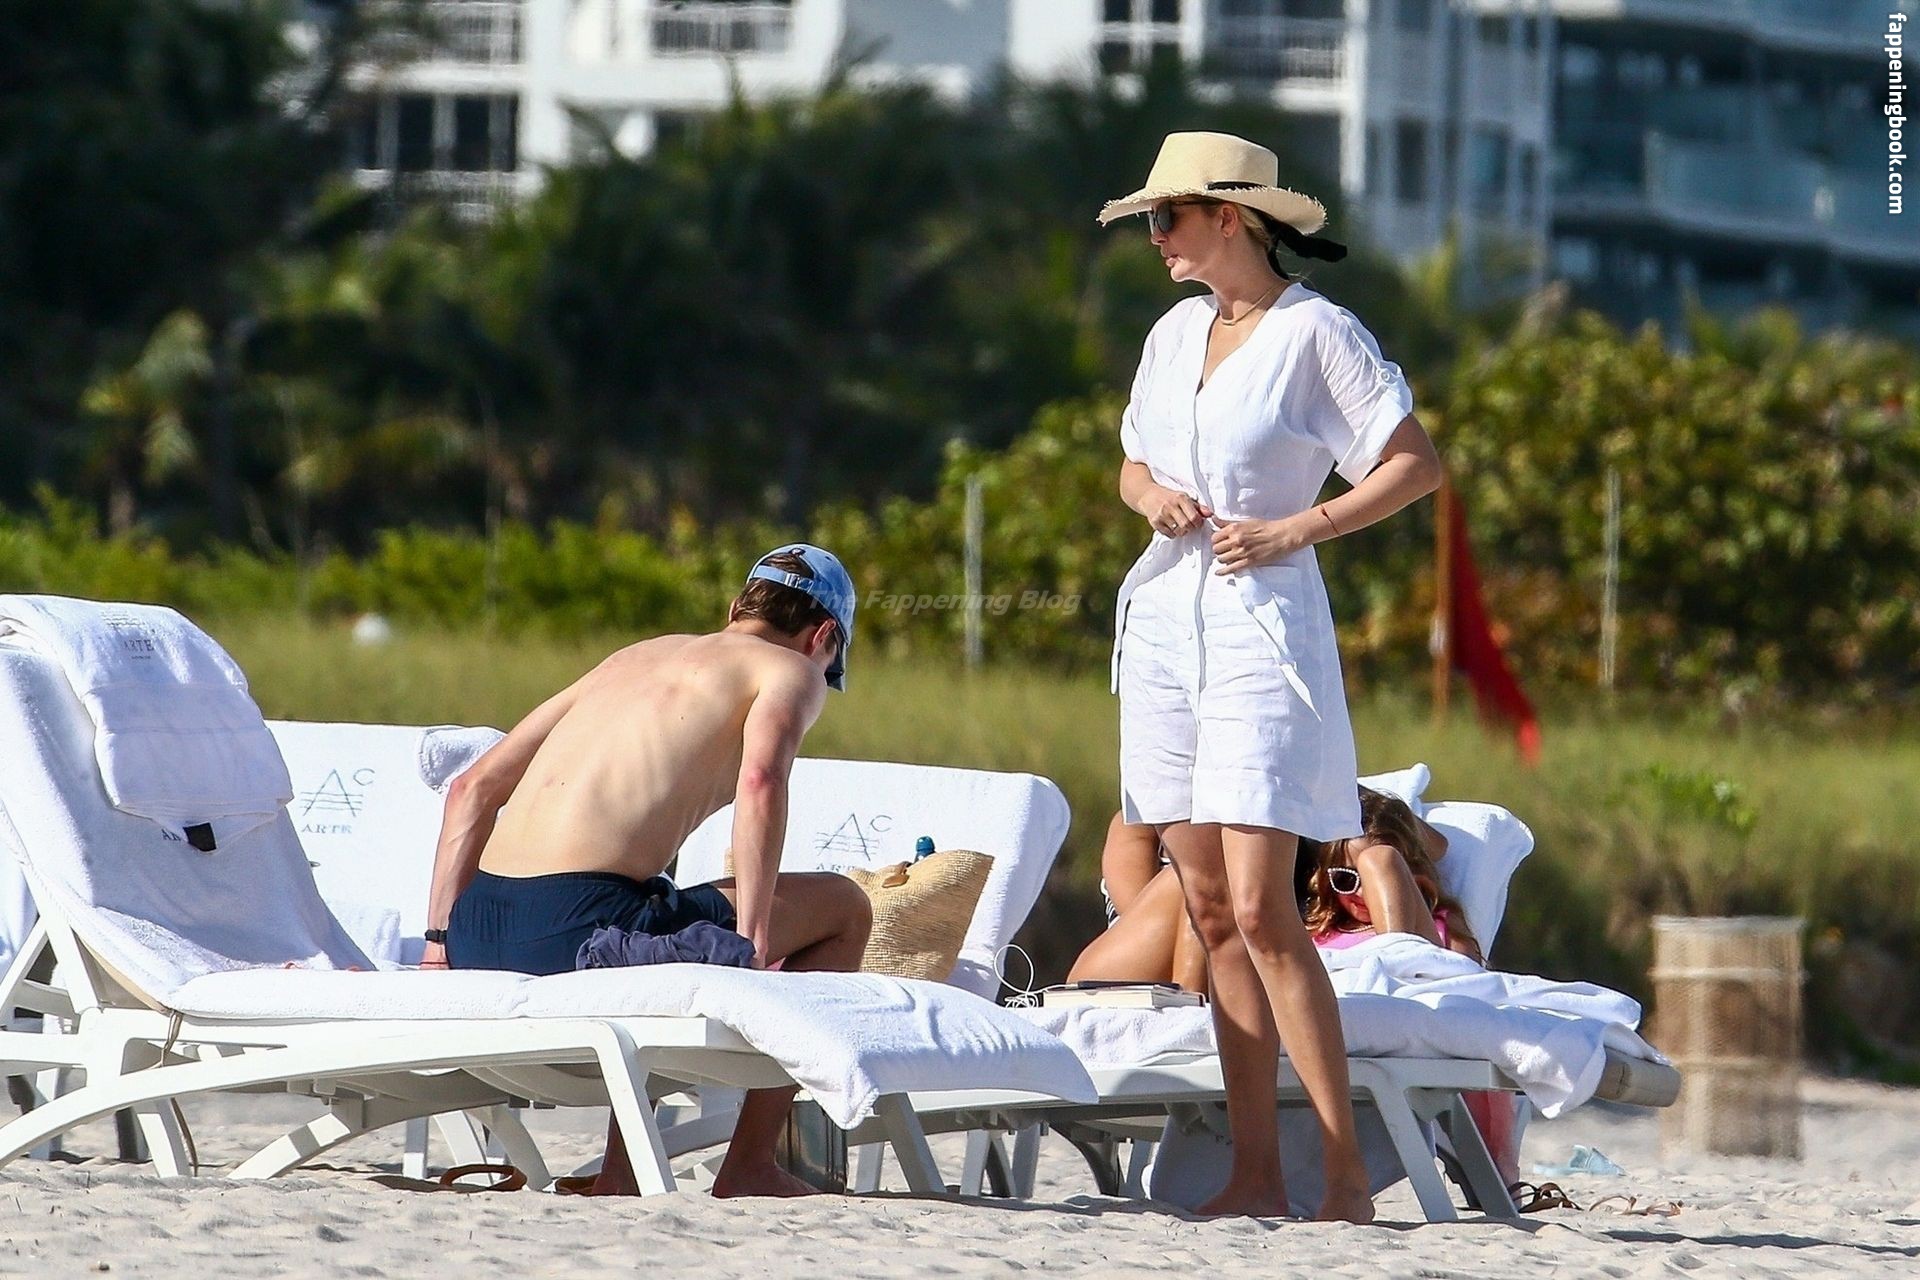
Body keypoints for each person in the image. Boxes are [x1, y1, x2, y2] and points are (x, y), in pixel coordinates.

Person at [1100, 131, 1442, 1220]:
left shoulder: (1316, 333)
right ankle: (1254, 1172)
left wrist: (1301, 526)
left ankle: (1343, 1176)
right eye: (1150, 219)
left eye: (1168, 217)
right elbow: (1132, 460)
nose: (1155, 236)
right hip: (1166, 627)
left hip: (1263, 634)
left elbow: (1413, 462)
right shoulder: (1171, 334)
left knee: (1260, 905)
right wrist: (1150, 496)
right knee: (1207, 907)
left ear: (1231, 217)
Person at [418, 544, 874, 1198]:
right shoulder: (790, 670)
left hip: (474, 930)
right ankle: (749, 1164)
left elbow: (471, 789)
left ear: (735, 608)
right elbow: (761, 781)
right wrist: (752, 939)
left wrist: (438, 945)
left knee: (654, 906)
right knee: (845, 907)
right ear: (822, 636)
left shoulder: (632, 657)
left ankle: (622, 1172)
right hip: (573, 936)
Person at [1298, 788, 1481, 964]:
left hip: (1419, 974)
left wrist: (1334, 782)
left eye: (1378, 881)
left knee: (1378, 858)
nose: (1361, 892)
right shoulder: (1316, 933)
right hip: (1354, 984)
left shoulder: (1439, 925)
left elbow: (1468, 978)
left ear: (1408, 873)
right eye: (1345, 879)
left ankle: (1398, 957)